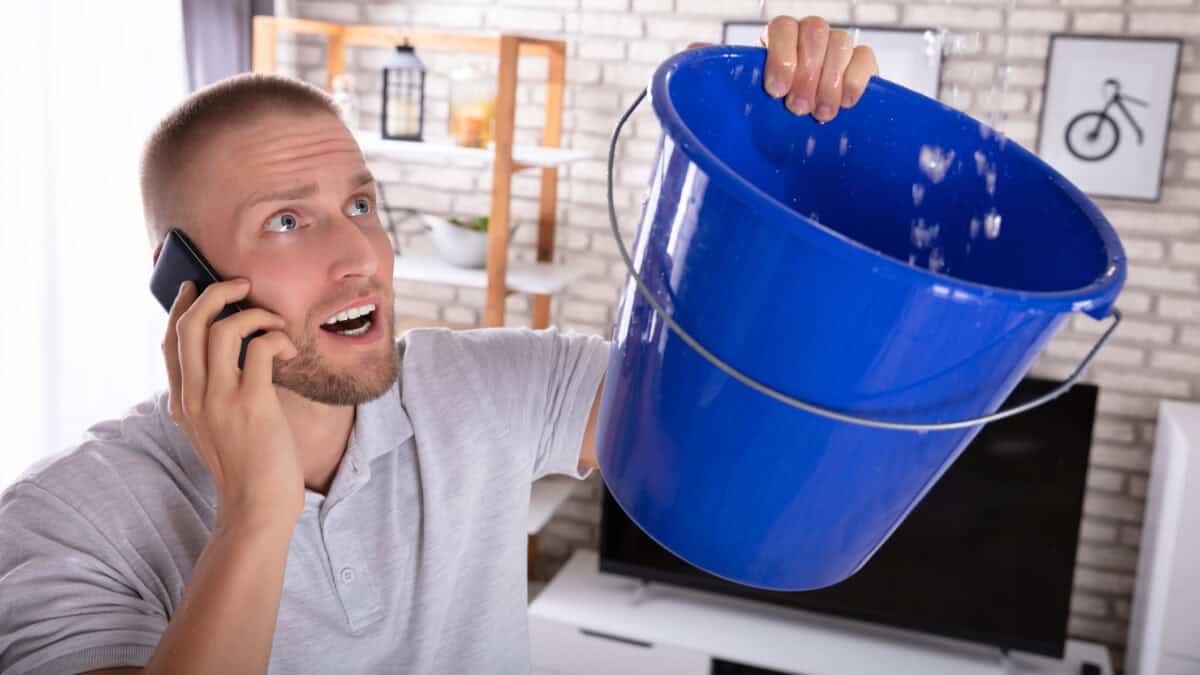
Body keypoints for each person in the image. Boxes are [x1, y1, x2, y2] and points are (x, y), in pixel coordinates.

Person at [0, 15, 879, 675]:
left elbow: (726, 402)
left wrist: (786, 158)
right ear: (183, 283)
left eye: (361, 204)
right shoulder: (67, 524)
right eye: (285, 219)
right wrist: (260, 511)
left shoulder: (480, 386)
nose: (362, 256)